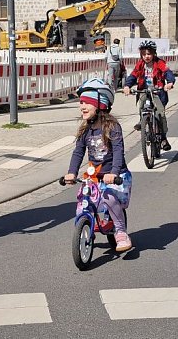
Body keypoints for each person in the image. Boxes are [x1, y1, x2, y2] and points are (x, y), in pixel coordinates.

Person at [64, 78, 133, 252]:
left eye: (87, 103)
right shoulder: (85, 129)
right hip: (94, 176)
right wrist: (72, 173)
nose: (82, 107)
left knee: (109, 197)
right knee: (83, 199)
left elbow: (118, 151)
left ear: (100, 105)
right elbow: (78, 152)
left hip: (115, 177)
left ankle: (120, 232)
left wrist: (114, 173)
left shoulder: (112, 127)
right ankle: (86, 224)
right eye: (81, 103)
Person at [123, 40, 176, 151]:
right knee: (141, 106)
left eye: (149, 54)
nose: (146, 56)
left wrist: (170, 83)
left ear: (153, 54)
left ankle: (163, 138)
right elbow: (133, 75)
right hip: (144, 90)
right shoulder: (140, 64)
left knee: (159, 114)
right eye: (144, 54)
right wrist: (127, 86)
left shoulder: (159, 63)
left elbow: (167, 72)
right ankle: (143, 120)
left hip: (158, 91)